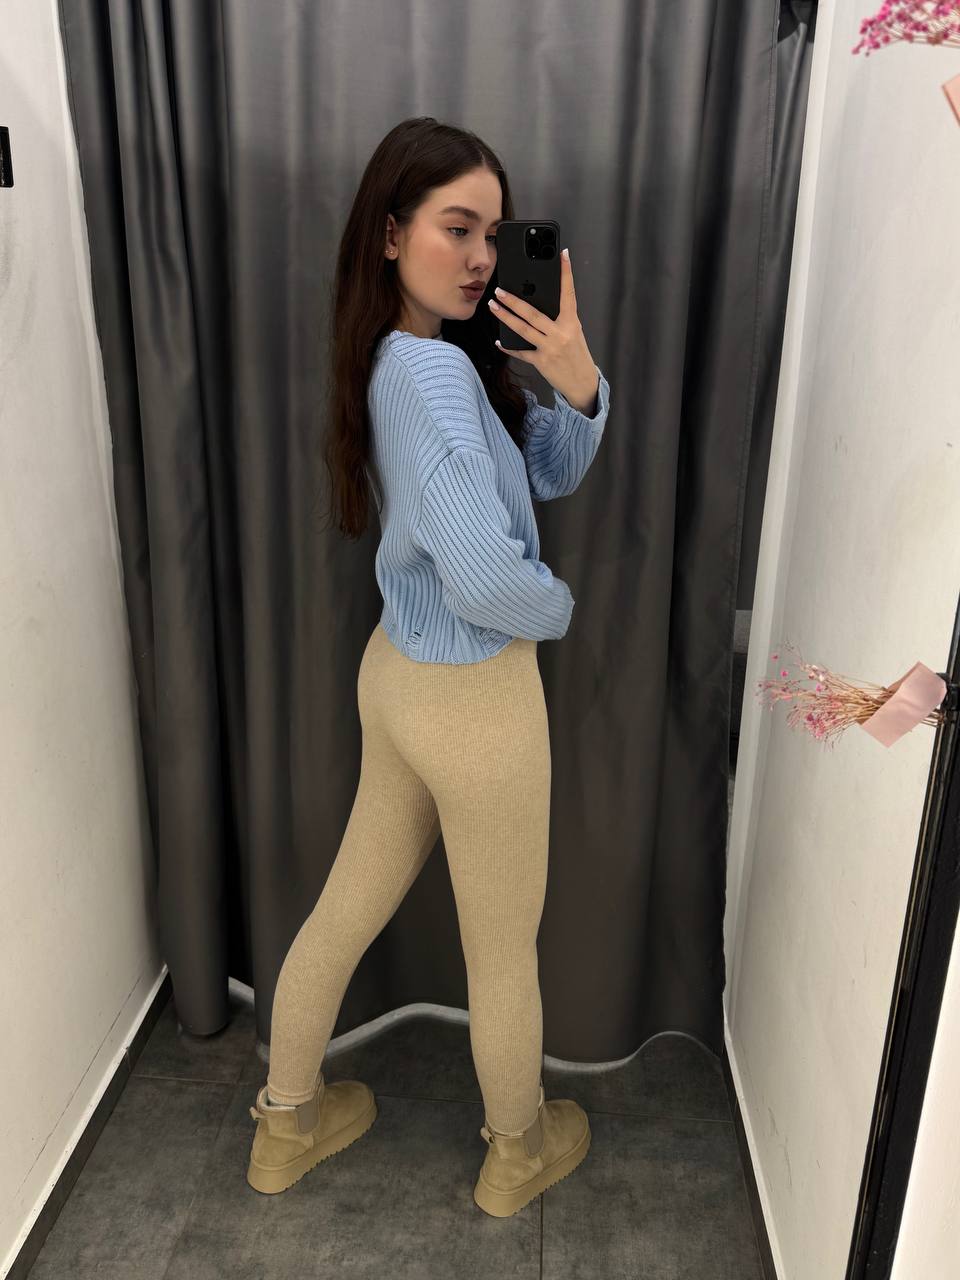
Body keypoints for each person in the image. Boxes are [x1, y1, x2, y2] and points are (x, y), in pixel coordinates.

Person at [246, 116, 611, 1217]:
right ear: (391, 232)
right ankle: (517, 1150)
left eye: (494, 233)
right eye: (458, 228)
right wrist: (558, 609)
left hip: (399, 676)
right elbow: (489, 579)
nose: (483, 257)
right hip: (475, 697)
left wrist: (576, 381)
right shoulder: (434, 374)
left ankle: (284, 1123)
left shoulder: (408, 359)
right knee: (501, 952)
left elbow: (547, 474)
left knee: (344, 908)